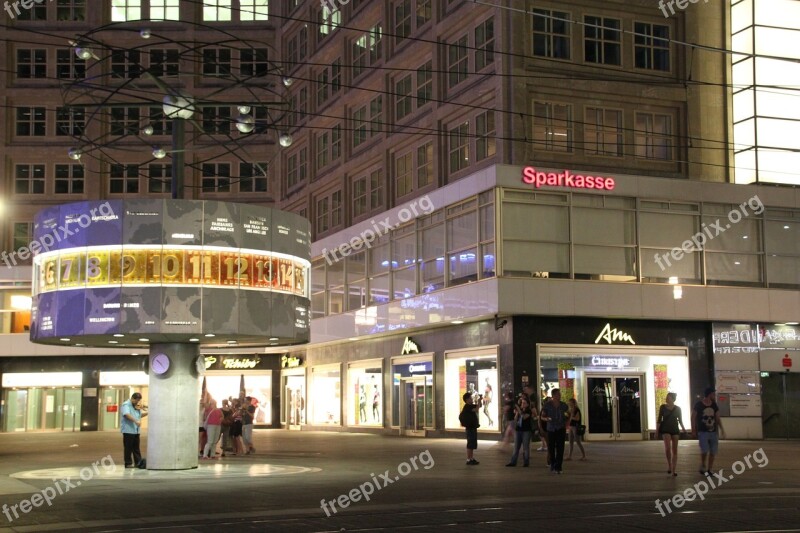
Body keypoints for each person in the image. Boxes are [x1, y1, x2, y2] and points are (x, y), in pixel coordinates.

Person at [692, 387, 724, 476]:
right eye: (713, 394)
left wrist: (722, 429)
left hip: (713, 432)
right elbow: (693, 417)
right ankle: (703, 464)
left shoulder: (714, 405)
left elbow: (717, 418)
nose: (714, 396)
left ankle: (710, 469)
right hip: (702, 432)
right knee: (705, 450)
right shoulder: (698, 405)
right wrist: (693, 430)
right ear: (709, 394)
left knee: (713, 451)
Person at [657, 392, 686, 476]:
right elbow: (659, 419)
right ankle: (669, 465)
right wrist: (656, 431)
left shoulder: (678, 409)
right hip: (665, 429)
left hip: (675, 430)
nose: (666, 398)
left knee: (675, 450)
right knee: (667, 448)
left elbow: (680, 420)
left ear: (673, 399)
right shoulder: (662, 407)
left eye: (668, 397)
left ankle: (674, 469)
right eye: (666, 397)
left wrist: (683, 429)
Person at [540, 388, 569, 474]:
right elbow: (542, 416)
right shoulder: (547, 405)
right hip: (551, 429)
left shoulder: (563, 405)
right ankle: (552, 464)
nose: (559, 396)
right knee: (551, 448)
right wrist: (546, 419)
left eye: (559, 394)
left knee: (560, 448)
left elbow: (568, 413)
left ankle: (559, 467)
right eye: (557, 394)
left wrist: (567, 423)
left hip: (561, 428)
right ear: (553, 396)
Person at [120, 392, 147, 468]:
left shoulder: (135, 406)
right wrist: (135, 421)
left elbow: (139, 415)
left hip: (136, 430)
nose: (137, 402)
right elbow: (126, 414)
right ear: (132, 398)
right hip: (128, 430)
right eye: (136, 400)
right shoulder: (126, 405)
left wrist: (148, 413)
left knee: (136, 447)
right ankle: (128, 463)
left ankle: (138, 462)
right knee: (128, 447)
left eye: (139, 400)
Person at [506, 395, 533, 467]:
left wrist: (519, 410)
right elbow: (515, 419)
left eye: (524, 403)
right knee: (516, 447)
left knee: (525, 447)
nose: (522, 404)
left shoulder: (529, 411)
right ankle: (513, 462)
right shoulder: (519, 411)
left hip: (526, 431)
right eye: (522, 403)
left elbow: (524, 417)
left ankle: (526, 462)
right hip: (518, 430)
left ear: (527, 404)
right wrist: (517, 413)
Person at [459, 392, 481, 465]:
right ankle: (468, 459)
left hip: (472, 427)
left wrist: (479, 400)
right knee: (470, 444)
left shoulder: (470, 406)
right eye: (470, 398)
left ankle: (471, 458)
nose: (472, 399)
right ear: (467, 399)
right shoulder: (467, 407)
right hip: (470, 428)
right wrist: (478, 401)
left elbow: (479, 406)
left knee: (472, 444)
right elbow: (476, 409)